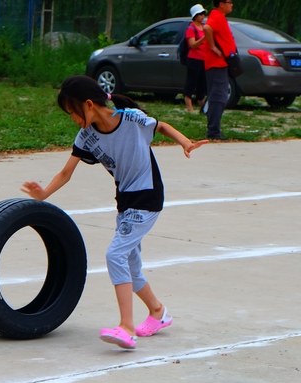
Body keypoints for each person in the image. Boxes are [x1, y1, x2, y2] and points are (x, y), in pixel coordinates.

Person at [20, 75, 207, 349]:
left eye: (73, 112)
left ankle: (126, 327)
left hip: (148, 197)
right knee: (130, 265)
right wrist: (43, 194)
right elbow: (66, 172)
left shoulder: (131, 119)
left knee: (115, 254)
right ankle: (158, 312)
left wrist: (185, 142)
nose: (72, 118)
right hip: (126, 201)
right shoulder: (87, 136)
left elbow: (161, 126)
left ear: (89, 104)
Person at [203, 0, 237, 140]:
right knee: (218, 96)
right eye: (229, 2)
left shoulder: (220, 16)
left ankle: (214, 129)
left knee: (219, 95)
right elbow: (207, 28)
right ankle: (213, 131)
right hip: (216, 63)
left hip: (221, 63)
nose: (232, 4)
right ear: (221, 3)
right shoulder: (216, 16)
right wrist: (213, 47)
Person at [184, 4, 207, 112]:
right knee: (191, 82)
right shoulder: (191, 28)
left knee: (202, 83)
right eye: (200, 14)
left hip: (204, 59)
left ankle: (203, 106)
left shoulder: (204, 27)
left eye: (203, 14)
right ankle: (189, 106)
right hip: (194, 59)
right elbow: (192, 45)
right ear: (195, 15)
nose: (203, 16)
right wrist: (204, 38)